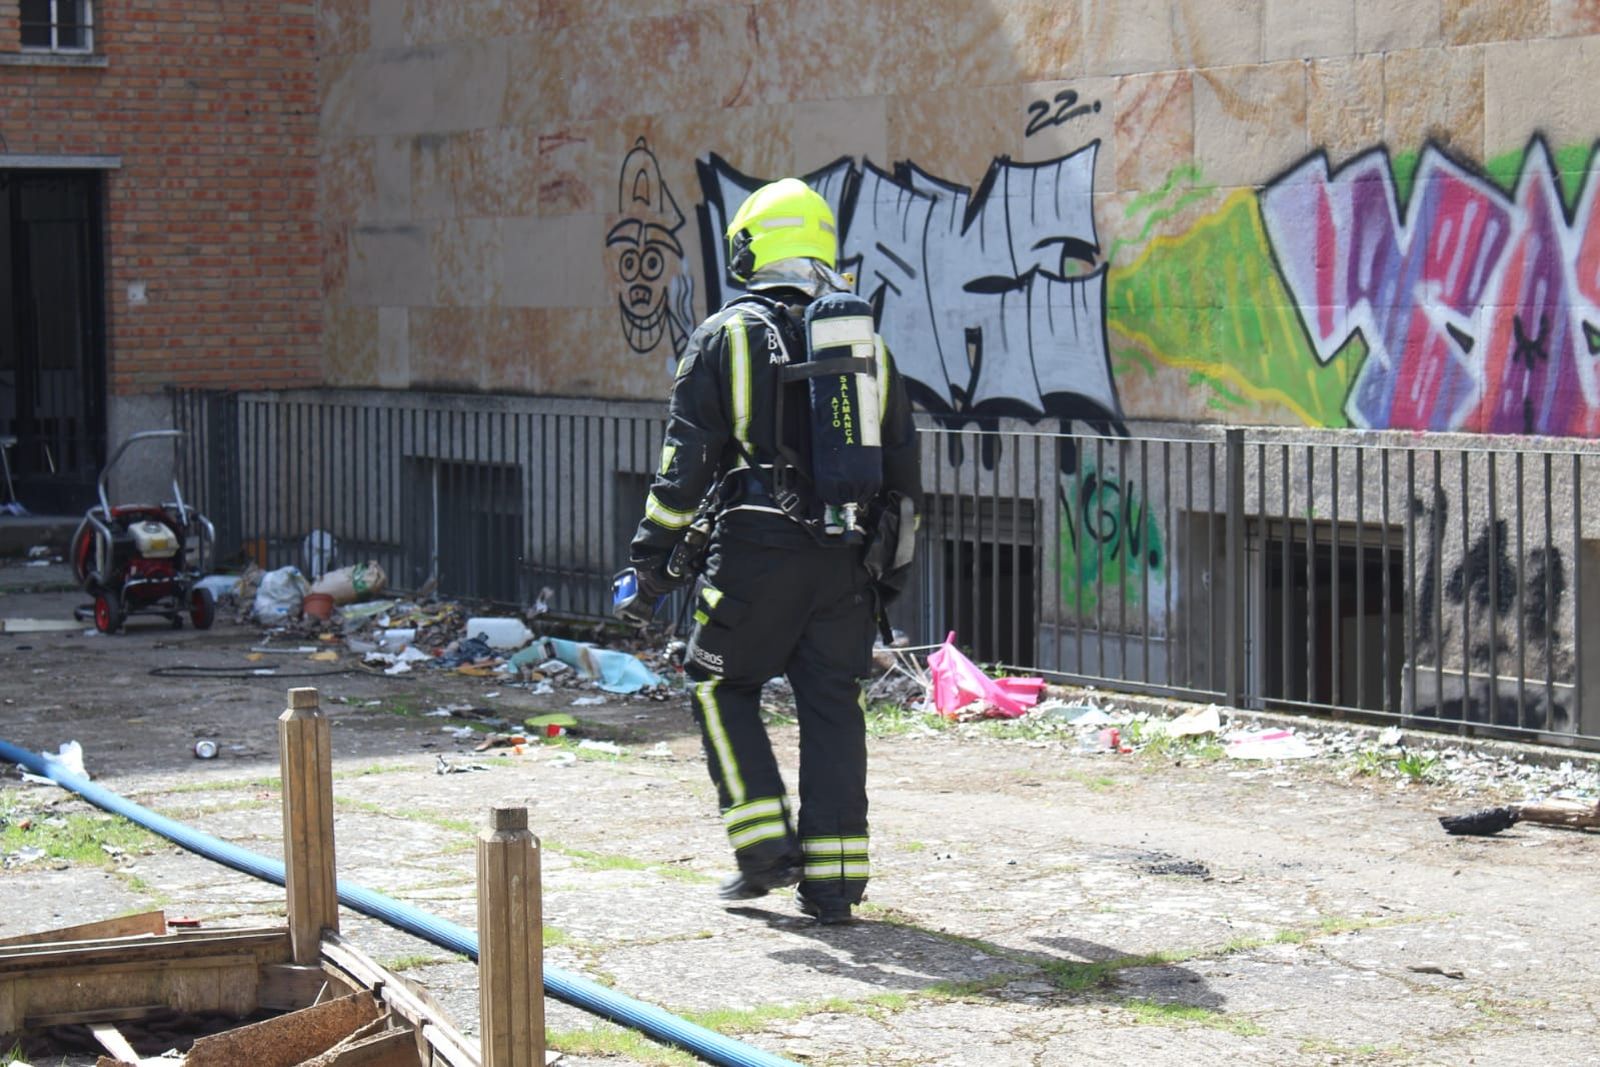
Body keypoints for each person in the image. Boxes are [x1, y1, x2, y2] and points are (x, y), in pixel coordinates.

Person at [626, 177, 921, 925]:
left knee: (718, 683)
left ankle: (763, 849)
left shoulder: (726, 335)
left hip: (757, 552)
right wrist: (884, 580)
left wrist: (653, 559)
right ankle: (835, 886)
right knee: (834, 704)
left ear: (755, 248)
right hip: (848, 559)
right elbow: (906, 480)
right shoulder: (869, 349)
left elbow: (683, 465)